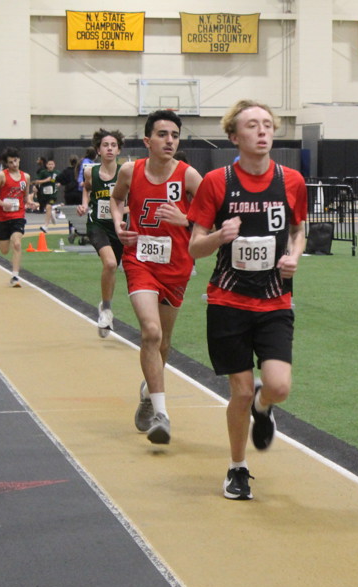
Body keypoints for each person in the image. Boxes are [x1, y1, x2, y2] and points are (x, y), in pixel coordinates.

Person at [188, 99, 308, 501]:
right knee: (238, 391)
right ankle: (237, 467)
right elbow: (193, 247)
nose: (262, 131)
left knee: (279, 387)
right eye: (252, 125)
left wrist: (294, 255)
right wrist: (218, 236)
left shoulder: (291, 180)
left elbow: (298, 230)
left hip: (275, 302)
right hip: (228, 302)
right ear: (233, 136)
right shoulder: (216, 182)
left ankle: (263, 404)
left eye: (268, 124)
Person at [110, 110, 202, 446]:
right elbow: (116, 199)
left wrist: (185, 220)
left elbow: (212, 217)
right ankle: (162, 415)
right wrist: (119, 224)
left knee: (163, 343)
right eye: (163, 134)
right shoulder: (130, 171)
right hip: (140, 261)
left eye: (175, 135)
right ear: (147, 140)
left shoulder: (189, 176)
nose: (170, 141)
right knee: (151, 332)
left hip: (176, 265)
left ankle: (149, 392)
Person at [78, 129, 126, 338]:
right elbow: (87, 187)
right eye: (105, 145)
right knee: (111, 264)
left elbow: (133, 199)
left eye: (113, 145)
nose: (109, 149)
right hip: (97, 224)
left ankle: (106, 305)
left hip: (118, 226)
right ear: (98, 149)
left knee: (112, 268)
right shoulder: (91, 171)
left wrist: (123, 211)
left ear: (119, 150)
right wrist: (84, 204)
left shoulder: (126, 173)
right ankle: (106, 310)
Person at [0, 147, 36, 287]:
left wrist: (31, 202)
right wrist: (2, 203)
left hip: (18, 215)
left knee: (17, 243)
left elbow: (25, 197)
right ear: (6, 164)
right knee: (4, 250)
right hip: (2, 216)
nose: (14, 164)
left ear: (19, 160)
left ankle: (15, 276)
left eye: (15, 161)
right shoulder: (2, 176)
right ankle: (1, 242)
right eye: (10, 162)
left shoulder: (26, 177)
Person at [33, 157, 60, 229]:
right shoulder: (43, 172)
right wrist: (45, 180)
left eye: (52, 164)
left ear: (54, 165)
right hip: (44, 194)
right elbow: (36, 181)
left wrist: (59, 183)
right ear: (46, 165)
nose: (50, 166)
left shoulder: (57, 173)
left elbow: (61, 180)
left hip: (53, 194)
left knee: (48, 207)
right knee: (48, 208)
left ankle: (46, 226)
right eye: (49, 164)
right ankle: (52, 214)